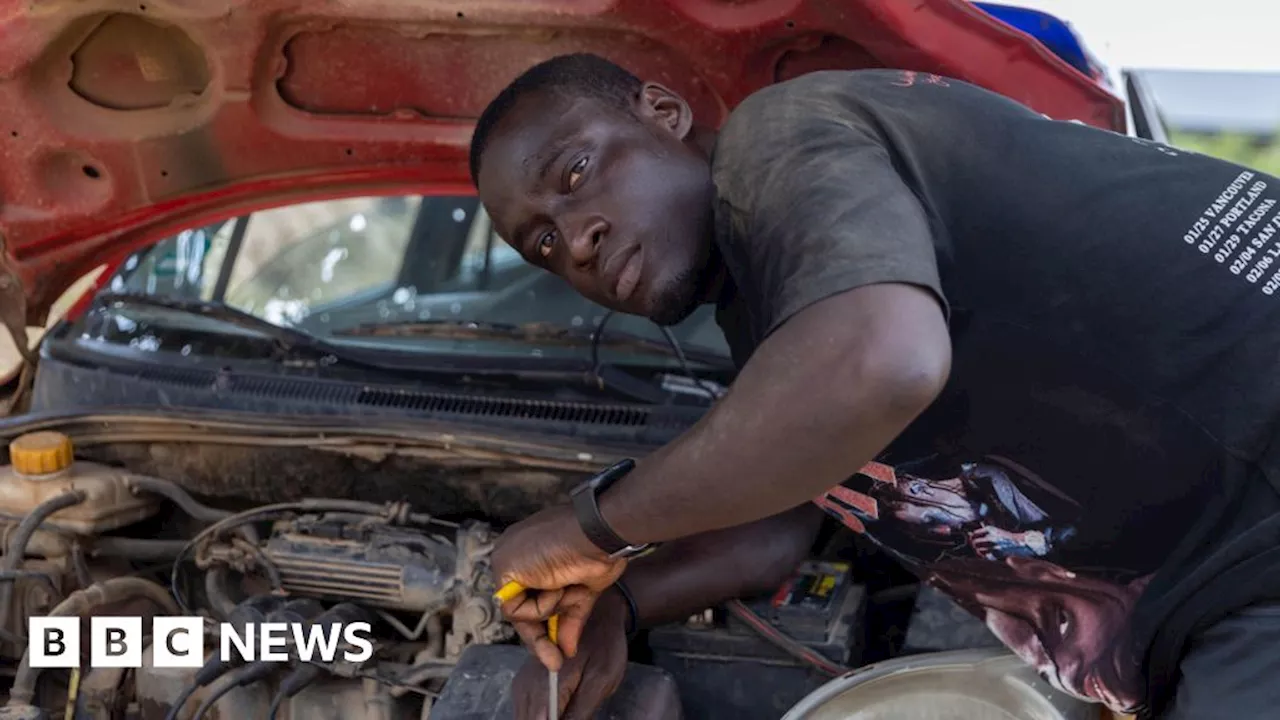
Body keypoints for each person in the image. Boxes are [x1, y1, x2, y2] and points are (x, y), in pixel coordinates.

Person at [468, 53, 1280, 720]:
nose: (574, 240)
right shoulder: (781, 316)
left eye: (575, 173)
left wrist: (591, 525)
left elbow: (882, 366)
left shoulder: (781, 135)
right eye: (540, 244)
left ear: (664, 112)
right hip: (1219, 594)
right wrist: (623, 603)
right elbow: (779, 516)